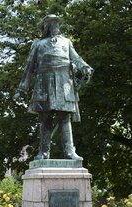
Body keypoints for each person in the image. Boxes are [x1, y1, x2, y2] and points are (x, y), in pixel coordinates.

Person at [14, 14, 93, 160]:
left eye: (57, 23)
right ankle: (43, 152)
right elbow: (29, 66)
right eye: (52, 24)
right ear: (47, 27)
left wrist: (85, 67)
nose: (55, 26)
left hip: (64, 82)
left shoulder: (66, 42)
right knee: (45, 118)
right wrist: (22, 88)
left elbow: (76, 58)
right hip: (44, 82)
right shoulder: (38, 44)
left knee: (64, 118)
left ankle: (70, 152)